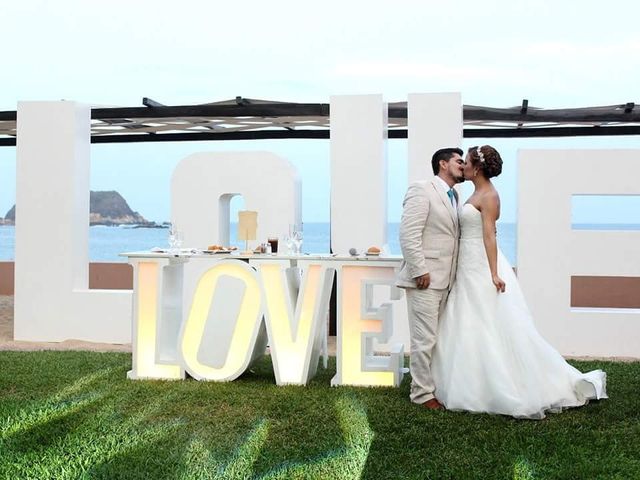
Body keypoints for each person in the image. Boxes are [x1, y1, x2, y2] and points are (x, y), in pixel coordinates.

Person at [431, 145, 607, 419]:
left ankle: (498, 385)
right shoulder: (476, 192)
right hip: (466, 264)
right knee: (469, 320)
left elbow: (490, 236)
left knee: (488, 320)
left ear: (476, 168)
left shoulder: (489, 196)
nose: (463, 165)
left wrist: (493, 273)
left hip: (481, 264)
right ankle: (473, 377)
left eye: (465, 161)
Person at [397, 147, 465, 409]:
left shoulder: (455, 196)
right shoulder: (421, 189)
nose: (463, 165)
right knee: (424, 339)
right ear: (443, 164)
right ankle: (421, 394)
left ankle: (434, 385)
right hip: (424, 279)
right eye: (459, 161)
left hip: (448, 280)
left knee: (439, 338)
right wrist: (419, 270)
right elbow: (408, 233)